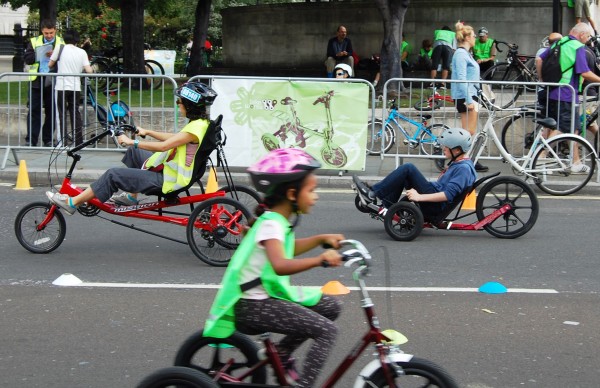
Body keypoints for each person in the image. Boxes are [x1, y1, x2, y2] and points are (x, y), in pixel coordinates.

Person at [203, 148, 345, 388]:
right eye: (311, 190)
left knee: (331, 307)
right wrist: (319, 259)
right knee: (327, 331)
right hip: (253, 305)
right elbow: (280, 265)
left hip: (262, 299)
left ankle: (281, 353)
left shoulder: (275, 221)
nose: (316, 196)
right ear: (292, 193)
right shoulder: (272, 223)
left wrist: (320, 238)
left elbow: (285, 250)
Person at [46, 81, 218, 213]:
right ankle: (131, 197)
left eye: (179, 102)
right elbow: (175, 138)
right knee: (135, 153)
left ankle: (72, 203)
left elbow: (164, 146)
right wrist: (147, 131)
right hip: (169, 171)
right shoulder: (200, 124)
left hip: (170, 180)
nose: (177, 105)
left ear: (189, 105)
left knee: (113, 174)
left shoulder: (195, 128)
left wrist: (132, 141)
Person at [353, 127, 476, 218]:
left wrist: (419, 197)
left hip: (435, 208)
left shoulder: (463, 169)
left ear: (457, 150)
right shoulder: (460, 164)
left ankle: (373, 194)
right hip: (434, 195)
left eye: (446, 147)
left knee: (408, 168)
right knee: (405, 175)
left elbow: (447, 195)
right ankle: (386, 205)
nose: (443, 149)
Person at [536, 22, 600, 172]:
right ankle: (540, 156)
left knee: (572, 129)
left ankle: (575, 162)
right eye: (588, 36)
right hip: (566, 94)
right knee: (564, 128)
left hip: (552, 91)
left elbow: (539, 59)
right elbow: (584, 72)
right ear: (582, 34)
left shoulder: (560, 42)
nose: (588, 39)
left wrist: (542, 80)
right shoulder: (578, 47)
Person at [451, 21, 488, 172]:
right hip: (466, 97)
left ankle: (465, 160)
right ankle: (463, 160)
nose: (475, 38)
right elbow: (461, 78)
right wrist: (468, 100)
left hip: (470, 95)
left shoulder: (465, 54)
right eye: (473, 36)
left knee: (468, 132)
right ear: (466, 38)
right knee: (468, 132)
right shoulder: (460, 54)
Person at [48, 28, 94, 146]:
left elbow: (50, 64)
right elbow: (89, 70)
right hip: (75, 86)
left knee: (61, 114)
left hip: (61, 86)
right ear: (77, 40)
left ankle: (62, 142)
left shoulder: (60, 48)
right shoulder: (82, 52)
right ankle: (78, 142)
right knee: (75, 113)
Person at [23, 19, 65, 147]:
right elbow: (28, 59)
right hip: (37, 79)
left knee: (51, 110)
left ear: (55, 31)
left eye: (51, 33)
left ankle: (47, 139)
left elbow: (65, 60)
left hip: (53, 79)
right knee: (34, 110)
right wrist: (39, 54)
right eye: (46, 33)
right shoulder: (34, 41)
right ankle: (31, 139)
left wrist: (55, 55)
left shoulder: (61, 42)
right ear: (42, 31)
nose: (49, 36)